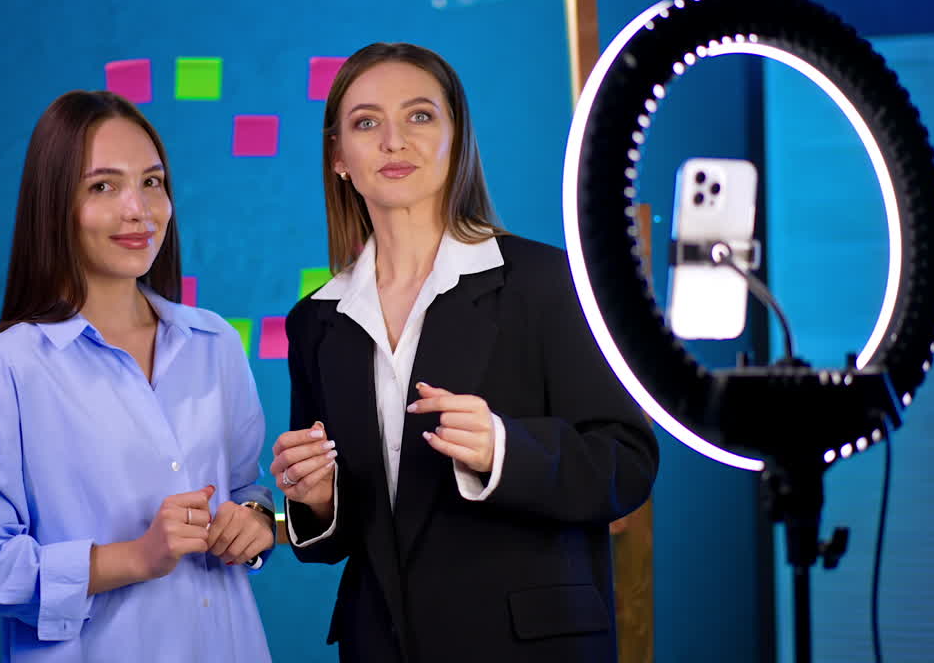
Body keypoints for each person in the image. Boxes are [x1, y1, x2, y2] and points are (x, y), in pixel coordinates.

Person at [270, 43, 659, 663]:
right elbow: (330, 540)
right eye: (366, 122)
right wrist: (317, 499)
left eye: (420, 116)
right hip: (382, 647)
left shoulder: (549, 282)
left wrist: (504, 448)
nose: (394, 141)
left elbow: (627, 463)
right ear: (338, 156)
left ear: (458, 139)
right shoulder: (317, 321)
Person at [0, 90, 275, 662]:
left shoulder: (215, 345)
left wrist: (255, 522)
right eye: (103, 186)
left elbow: (244, 490)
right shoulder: (5, 370)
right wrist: (134, 557)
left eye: (152, 182)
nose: (138, 209)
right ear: (55, 205)